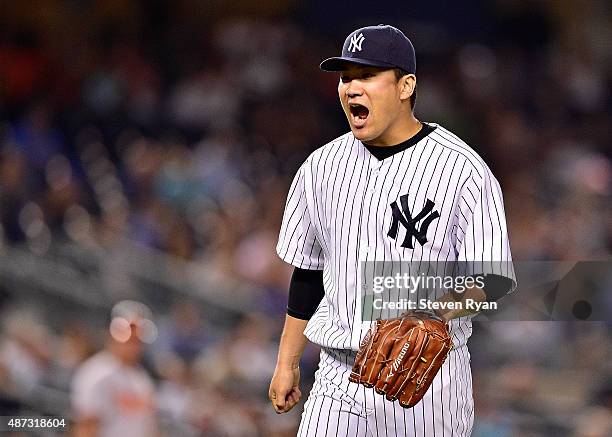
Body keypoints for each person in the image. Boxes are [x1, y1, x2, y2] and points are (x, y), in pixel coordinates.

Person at [269, 24, 515, 436]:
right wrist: (287, 363)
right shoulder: (320, 167)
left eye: (367, 76)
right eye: (345, 78)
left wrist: (433, 312)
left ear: (406, 86)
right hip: (338, 378)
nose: (351, 88)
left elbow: (493, 279)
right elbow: (308, 273)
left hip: (426, 380)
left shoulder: (462, 169)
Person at [71, 301, 158, 437]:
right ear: (111, 334)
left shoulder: (142, 379)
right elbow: (86, 427)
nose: (133, 345)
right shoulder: (96, 373)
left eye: (137, 339)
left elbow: (149, 429)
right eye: (128, 337)